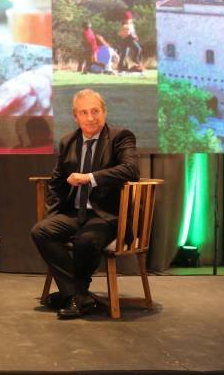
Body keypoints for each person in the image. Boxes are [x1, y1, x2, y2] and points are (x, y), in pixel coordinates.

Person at [30, 89, 139, 319]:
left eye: (95, 111)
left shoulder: (121, 137)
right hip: (74, 213)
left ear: (104, 112)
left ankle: (72, 295)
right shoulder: (68, 141)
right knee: (42, 231)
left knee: (86, 240)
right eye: (84, 112)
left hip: (106, 216)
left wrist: (90, 178)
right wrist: (54, 214)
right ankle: (77, 296)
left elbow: (131, 169)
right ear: (75, 116)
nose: (90, 117)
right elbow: (57, 183)